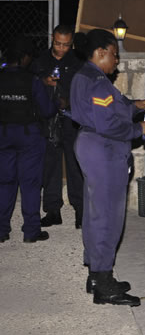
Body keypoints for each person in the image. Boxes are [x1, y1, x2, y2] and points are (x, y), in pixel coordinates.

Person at [70, 29, 145, 306]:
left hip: (93, 145)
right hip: (103, 148)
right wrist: (139, 127)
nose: (117, 62)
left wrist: (136, 105)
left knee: (96, 211)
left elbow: (113, 107)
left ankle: (96, 274)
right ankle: (104, 285)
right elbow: (108, 123)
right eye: (114, 55)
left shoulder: (86, 75)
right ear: (101, 52)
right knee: (108, 216)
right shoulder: (96, 82)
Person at [0, 37, 57, 243]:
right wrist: (57, 102)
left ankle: (1, 230)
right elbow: (47, 110)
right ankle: (31, 231)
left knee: (4, 183)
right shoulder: (32, 80)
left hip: (3, 136)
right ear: (24, 57)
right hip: (29, 137)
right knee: (30, 184)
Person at [31, 25, 85, 229]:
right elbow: (31, 86)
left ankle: (80, 210)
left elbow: (83, 91)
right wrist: (44, 82)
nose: (61, 48)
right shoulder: (41, 61)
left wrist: (68, 102)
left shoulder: (77, 62)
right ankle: (53, 211)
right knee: (50, 165)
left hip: (72, 119)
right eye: (57, 43)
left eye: (66, 45)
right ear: (52, 39)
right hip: (48, 120)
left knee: (75, 165)